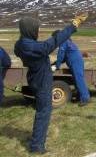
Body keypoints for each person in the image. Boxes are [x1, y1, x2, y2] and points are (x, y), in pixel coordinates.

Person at [14, 14, 87, 154]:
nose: (38, 31)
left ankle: (37, 141)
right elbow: (52, 43)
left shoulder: (20, 44)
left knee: (42, 110)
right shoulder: (33, 47)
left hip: (34, 78)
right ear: (29, 29)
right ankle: (37, 146)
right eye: (36, 28)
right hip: (42, 81)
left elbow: (40, 46)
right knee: (43, 112)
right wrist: (73, 25)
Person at [52, 31, 90, 106]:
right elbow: (65, 57)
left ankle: (85, 99)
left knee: (79, 80)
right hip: (76, 62)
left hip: (75, 62)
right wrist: (55, 63)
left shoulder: (64, 42)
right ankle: (80, 96)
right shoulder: (67, 41)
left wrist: (57, 66)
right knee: (77, 80)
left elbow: (61, 55)